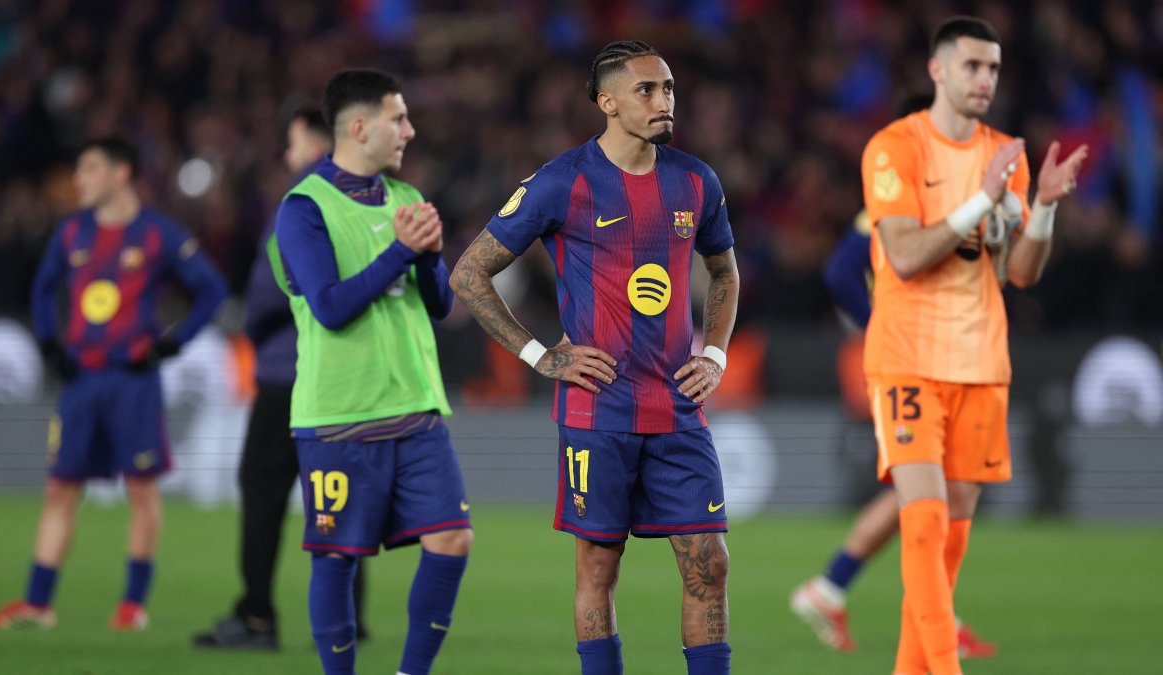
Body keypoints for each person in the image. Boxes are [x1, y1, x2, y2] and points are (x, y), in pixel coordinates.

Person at [451, 40, 739, 675]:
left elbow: (724, 272)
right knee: (599, 569)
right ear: (607, 102)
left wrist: (713, 353)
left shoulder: (696, 180)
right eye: (647, 90)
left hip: (677, 407)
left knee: (709, 564)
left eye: (668, 89)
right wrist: (538, 355)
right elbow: (469, 274)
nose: (664, 100)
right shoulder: (562, 182)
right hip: (597, 411)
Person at [859, 17, 1086, 674]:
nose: (985, 79)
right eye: (972, 66)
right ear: (938, 70)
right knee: (923, 524)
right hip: (906, 356)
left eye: (992, 68)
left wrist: (1039, 208)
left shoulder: (1003, 156)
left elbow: (1020, 272)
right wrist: (978, 201)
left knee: (948, 540)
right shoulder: (894, 147)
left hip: (982, 363)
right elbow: (902, 255)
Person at [0, 137, 229, 630]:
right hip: (82, 383)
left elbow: (211, 290)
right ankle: (38, 604)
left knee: (142, 492)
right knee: (59, 489)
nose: (79, 179)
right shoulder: (72, 231)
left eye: (89, 169)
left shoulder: (157, 233)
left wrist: (171, 345)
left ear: (120, 173)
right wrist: (49, 344)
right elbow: (44, 287)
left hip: (133, 382)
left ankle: (132, 606)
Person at [271, 69, 471, 675]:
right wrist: (403, 252)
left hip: (416, 407)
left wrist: (433, 258)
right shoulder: (303, 208)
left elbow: (439, 305)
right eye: (399, 118)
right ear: (360, 127)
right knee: (336, 559)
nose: (409, 130)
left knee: (453, 540)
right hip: (338, 415)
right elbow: (329, 307)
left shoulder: (407, 200)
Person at [193, 106, 370, 650]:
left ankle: (255, 617)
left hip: (288, 371)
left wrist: (254, 324)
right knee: (337, 494)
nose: (288, 155)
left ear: (315, 143)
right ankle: (349, 616)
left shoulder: (302, 197)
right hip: (344, 375)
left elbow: (272, 285)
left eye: (292, 142)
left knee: (264, 487)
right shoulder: (368, 197)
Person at [789, 211, 996, 658]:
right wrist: (878, 325)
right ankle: (931, 617)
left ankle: (833, 587)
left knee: (930, 487)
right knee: (933, 486)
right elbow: (841, 270)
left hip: (945, 358)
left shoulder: (946, 194)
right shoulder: (900, 192)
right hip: (910, 363)